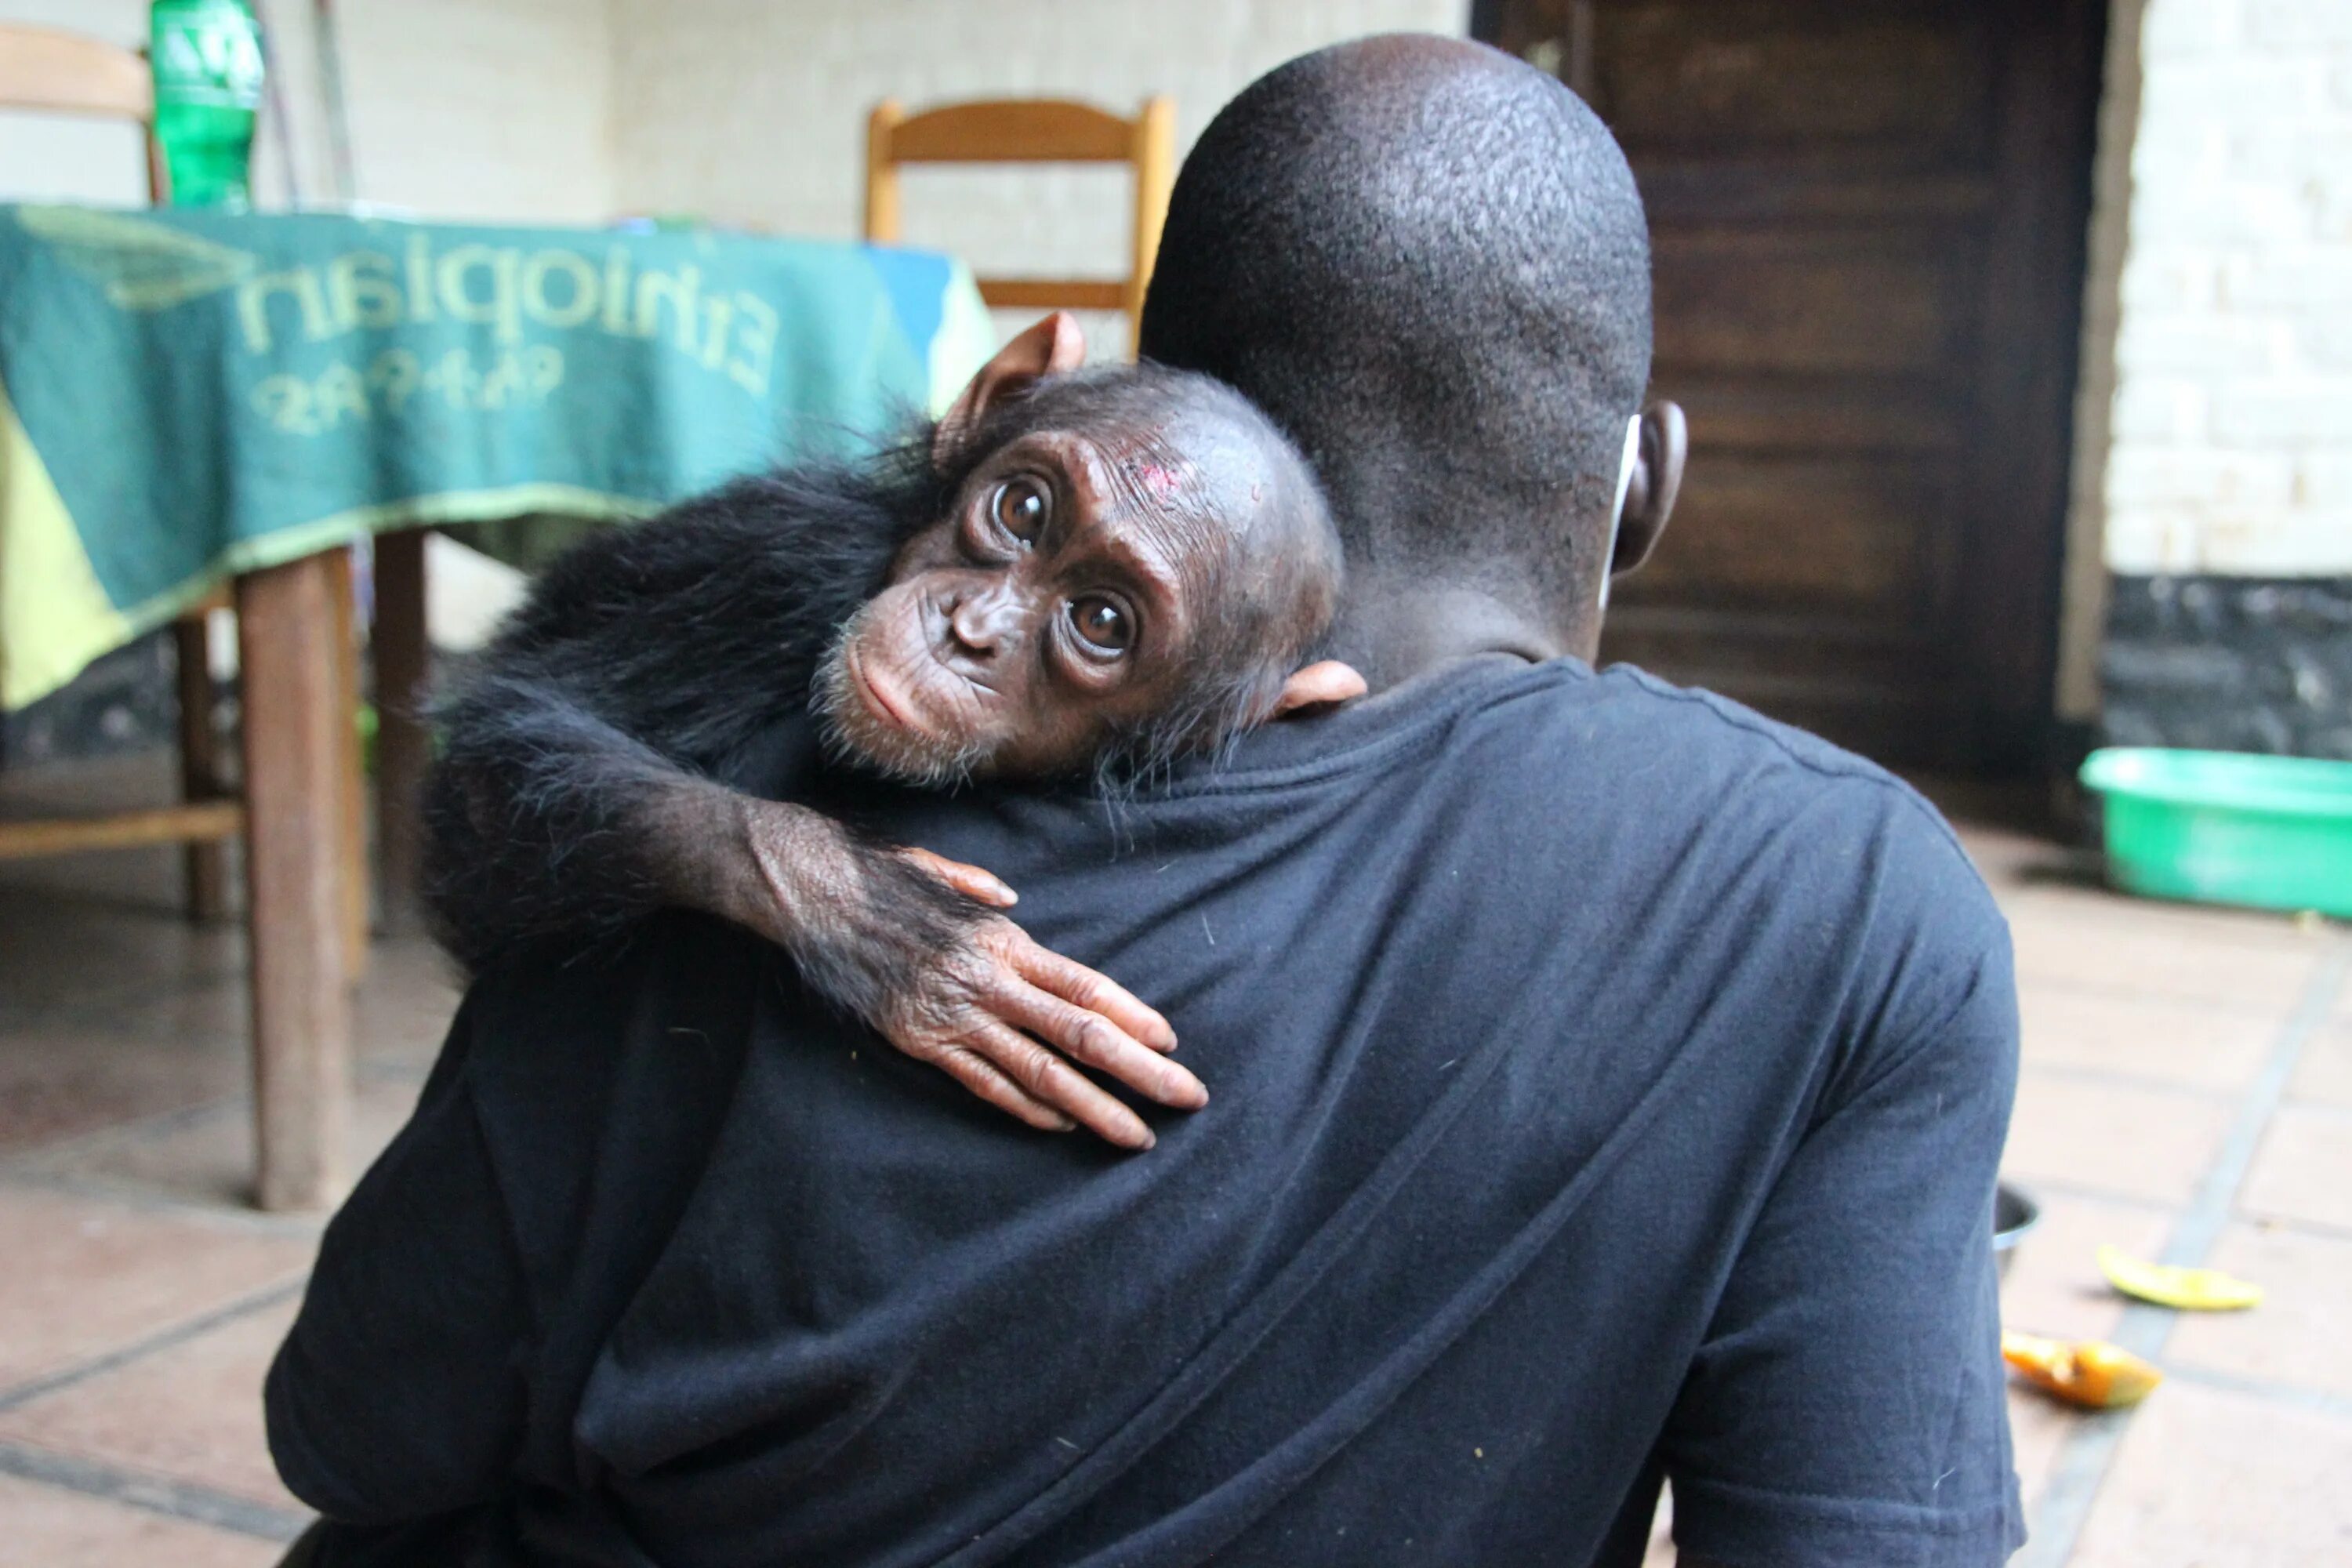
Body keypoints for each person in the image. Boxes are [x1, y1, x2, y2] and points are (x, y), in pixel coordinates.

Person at [268, 34, 2022, 1568]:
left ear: (1279, 689)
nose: (964, 628)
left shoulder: (768, 760)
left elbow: (357, 1424)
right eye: (1015, 521)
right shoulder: (1851, 908)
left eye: (1101, 617)